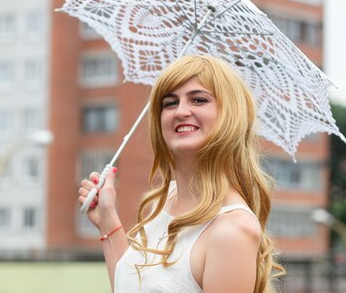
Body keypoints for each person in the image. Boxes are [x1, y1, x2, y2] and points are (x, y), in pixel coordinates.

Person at [78, 55, 284, 293]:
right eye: (170, 103)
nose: (181, 112)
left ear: (231, 114)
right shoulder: (164, 201)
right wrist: (106, 221)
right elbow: (130, 287)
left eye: (198, 100)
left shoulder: (232, 231)